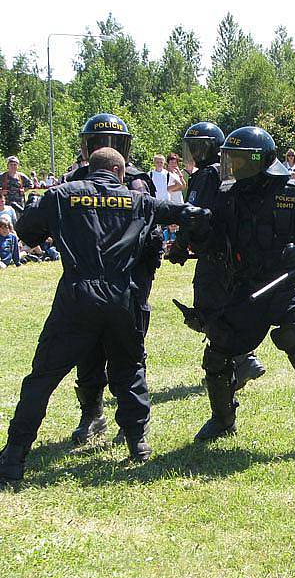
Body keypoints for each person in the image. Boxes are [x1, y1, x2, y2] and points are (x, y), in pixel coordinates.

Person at [0, 147, 211, 486]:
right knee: (129, 370)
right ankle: (138, 443)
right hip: (120, 297)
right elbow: (182, 212)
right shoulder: (137, 201)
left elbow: (27, 231)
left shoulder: (61, 195)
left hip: (76, 295)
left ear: (90, 168)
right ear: (118, 172)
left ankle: (13, 457)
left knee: (43, 377)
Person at [186, 126, 295, 450]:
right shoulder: (229, 194)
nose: (232, 166)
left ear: (259, 161)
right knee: (218, 353)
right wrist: (197, 231)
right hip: (245, 288)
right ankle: (223, 419)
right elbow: (215, 237)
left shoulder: (291, 191)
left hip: (284, 287)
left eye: (238, 160)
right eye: (228, 159)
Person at [63, 113, 164, 446]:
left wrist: (142, 279)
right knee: (87, 351)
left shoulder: (137, 182)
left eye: (112, 143)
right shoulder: (74, 180)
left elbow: (151, 236)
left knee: (130, 352)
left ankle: (132, 423)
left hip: (128, 283)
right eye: (99, 142)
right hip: (87, 282)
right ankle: (91, 413)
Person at [168, 121, 267, 392]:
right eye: (193, 148)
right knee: (227, 308)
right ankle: (241, 360)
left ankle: (241, 361)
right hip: (234, 255)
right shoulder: (231, 173)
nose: (197, 153)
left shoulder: (205, 176)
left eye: (200, 147)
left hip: (214, 256)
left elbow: (194, 215)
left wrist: (179, 246)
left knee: (208, 311)